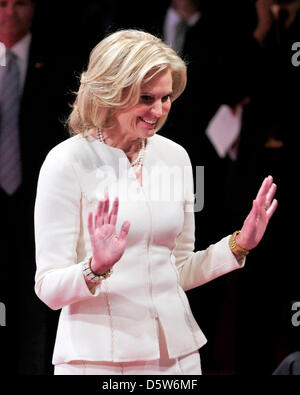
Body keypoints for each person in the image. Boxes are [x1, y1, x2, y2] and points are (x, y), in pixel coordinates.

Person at [34, 29, 278, 375]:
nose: (159, 110)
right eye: (146, 98)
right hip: (96, 360)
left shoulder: (175, 156)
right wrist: (96, 267)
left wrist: (239, 245)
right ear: (112, 92)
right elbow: (48, 289)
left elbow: (176, 270)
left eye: (166, 98)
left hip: (176, 358)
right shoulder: (66, 162)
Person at [0, 0, 76, 374]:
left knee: (39, 301)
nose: (10, 13)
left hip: (41, 204)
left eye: (20, 3)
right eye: (1, 4)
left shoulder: (61, 63)